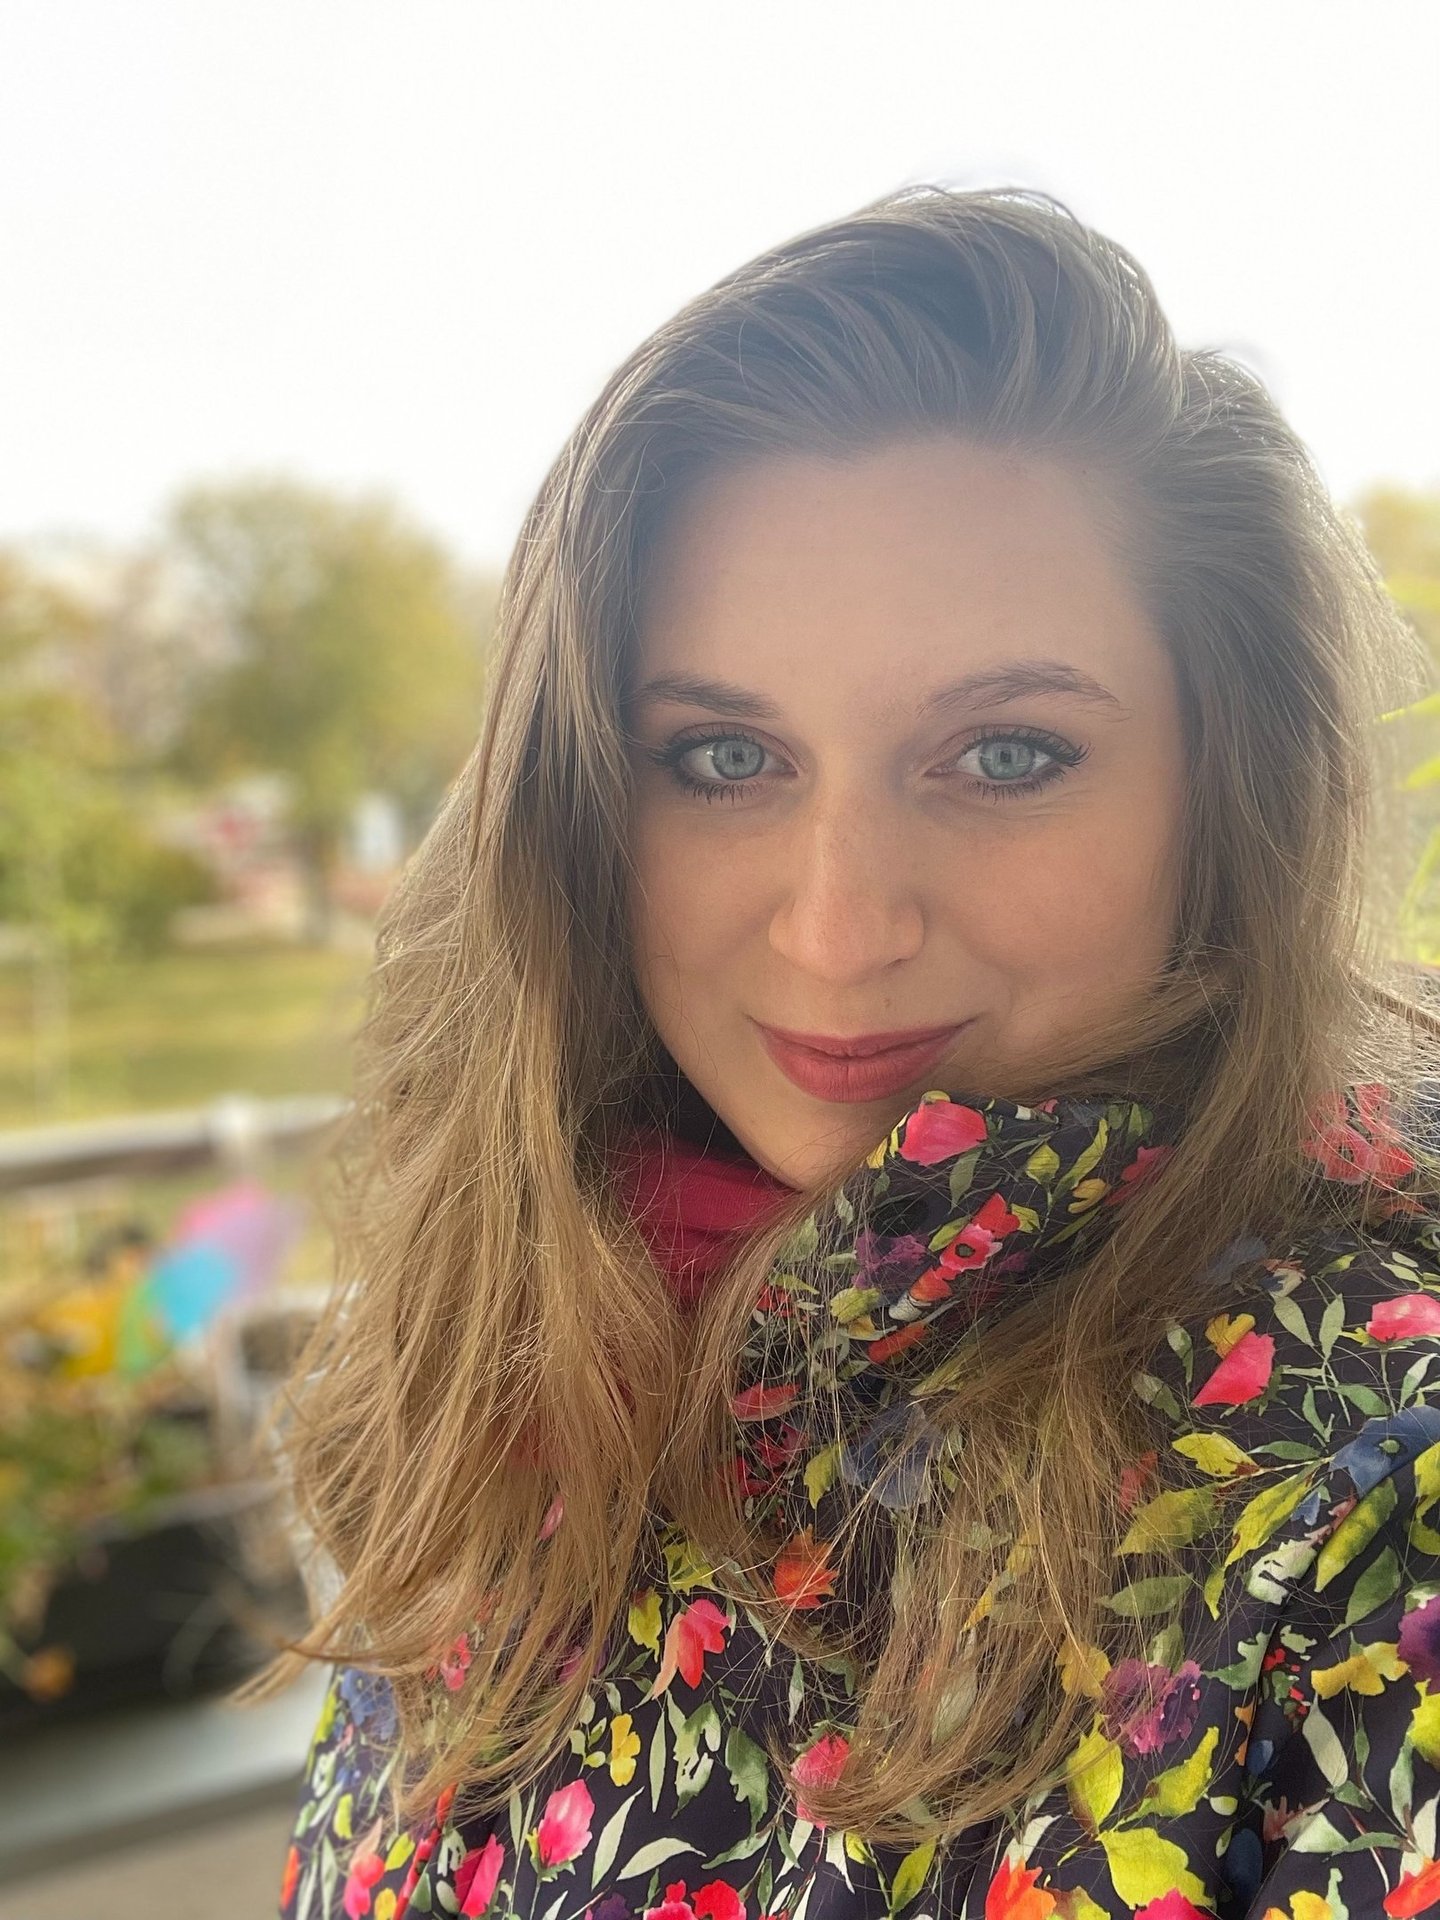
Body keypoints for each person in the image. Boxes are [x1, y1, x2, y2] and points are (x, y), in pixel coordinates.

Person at [259, 186, 1440, 1919]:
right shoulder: (503, 1346)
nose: (836, 929)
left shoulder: (1376, 1499)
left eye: (1008, 754)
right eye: (725, 760)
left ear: (1228, 787)